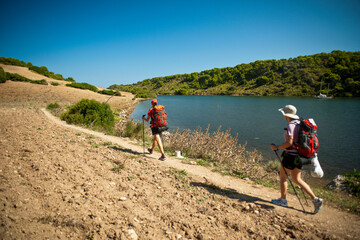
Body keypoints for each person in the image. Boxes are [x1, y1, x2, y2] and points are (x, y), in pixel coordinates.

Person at [270, 105, 323, 213]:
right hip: (300, 157)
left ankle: (283, 200)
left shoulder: (291, 125)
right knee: (297, 179)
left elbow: (289, 143)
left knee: (283, 178)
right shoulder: (301, 123)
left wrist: (277, 148)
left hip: (290, 156)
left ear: (286, 115)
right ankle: (315, 199)